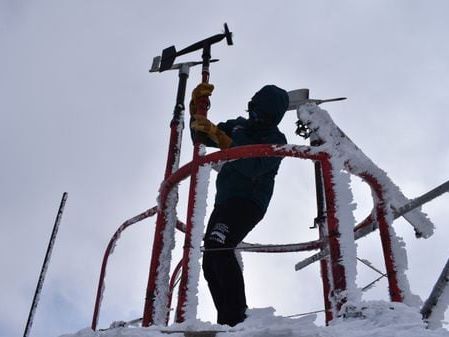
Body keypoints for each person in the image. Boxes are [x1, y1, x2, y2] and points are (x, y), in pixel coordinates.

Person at [189, 83, 289, 326]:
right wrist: (197, 110)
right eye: (253, 111)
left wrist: (225, 140)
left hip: (249, 201)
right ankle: (227, 319)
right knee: (211, 259)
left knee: (219, 245)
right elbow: (199, 136)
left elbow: (251, 167)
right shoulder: (238, 125)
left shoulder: (275, 139)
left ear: (272, 118)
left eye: (261, 115)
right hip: (224, 200)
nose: (255, 118)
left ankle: (237, 318)